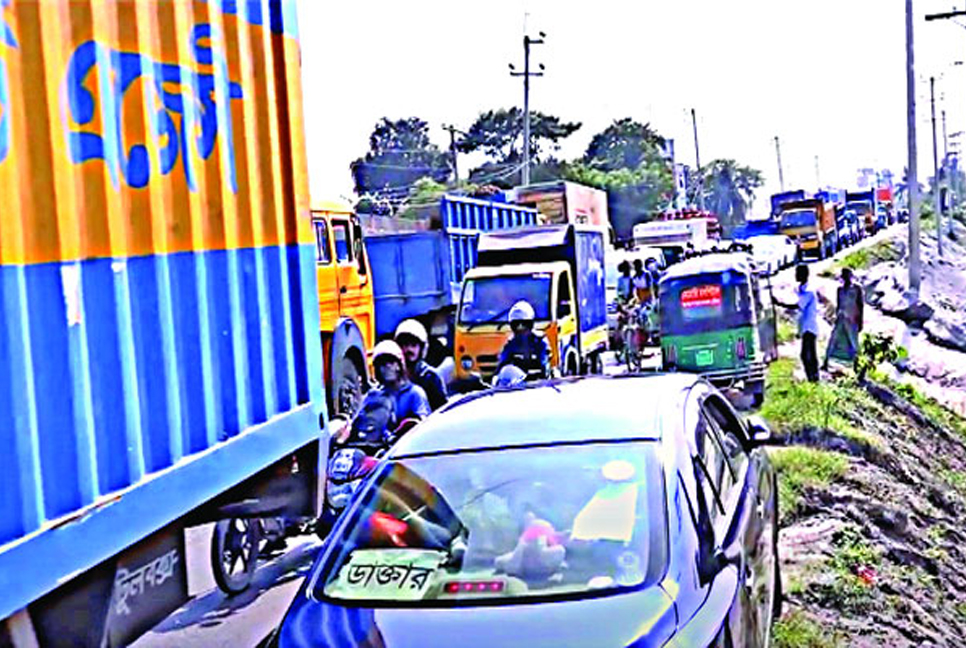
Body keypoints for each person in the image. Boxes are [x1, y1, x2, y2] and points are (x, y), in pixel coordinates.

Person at [360, 340, 431, 429]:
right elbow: (358, 420)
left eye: (391, 362)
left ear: (399, 365)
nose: (387, 367)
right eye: (382, 364)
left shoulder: (414, 393)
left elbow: (424, 422)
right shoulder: (374, 395)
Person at [776, 264, 821, 382]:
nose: (795, 275)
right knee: (809, 354)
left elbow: (797, 306)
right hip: (805, 326)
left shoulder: (809, 292)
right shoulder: (801, 290)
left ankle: (814, 378)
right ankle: (813, 378)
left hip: (809, 327)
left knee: (807, 355)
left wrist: (779, 303)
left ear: (804, 275)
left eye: (798, 273)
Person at [394, 319, 448, 411]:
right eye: (405, 345)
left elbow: (442, 411)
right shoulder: (394, 377)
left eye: (414, 345)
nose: (409, 349)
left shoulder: (431, 377)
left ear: (422, 348)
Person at [497, 300, 552, 379]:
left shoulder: (540, 342)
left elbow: (544, 364)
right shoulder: (511, 344)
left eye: (524, 324)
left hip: (538, 385)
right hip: (517, 386)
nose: (520, 328)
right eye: (516, 324)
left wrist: (537, 375)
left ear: (531, 324)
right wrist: (496, 379)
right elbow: (502, 366)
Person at [824, 268, 864, 370]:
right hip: (841, 317)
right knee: (833, 339)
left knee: (854, 342)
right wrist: (836, 316)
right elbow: (838, 304)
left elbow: (860, 305)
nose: (846, 278)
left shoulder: (856, 289)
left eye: (847, 276)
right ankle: (825, 362)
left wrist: (860, 321)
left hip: (852, 318)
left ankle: (857, 365)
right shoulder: (840, 290)